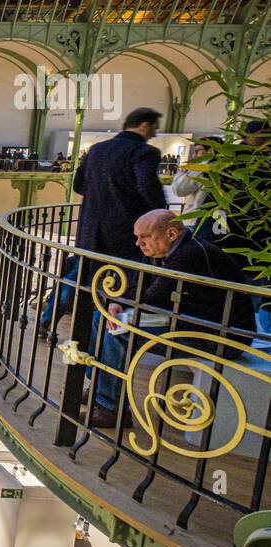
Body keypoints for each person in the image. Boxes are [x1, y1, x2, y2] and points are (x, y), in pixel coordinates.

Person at [87, 209, 255, 428]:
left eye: (144, 237)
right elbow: (139, 284)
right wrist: (116, 302)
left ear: (172, 234)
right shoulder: (164, 250)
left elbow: (153, 299)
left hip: (221, 336)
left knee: (120, 333)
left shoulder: (189, 254)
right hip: (190, 323)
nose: (138, 243)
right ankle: (100, 387)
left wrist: (120, 300)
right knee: (101, 317)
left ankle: (110, 408)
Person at [72, 107, 166, 264]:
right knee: (122, 278)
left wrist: (101, 198)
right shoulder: (145, 151)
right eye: (154, 128)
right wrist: (160, 214)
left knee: (82, 273)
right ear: (145, 126)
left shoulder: (97, 149)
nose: (154, 134)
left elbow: (78, 184)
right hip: (125, 229)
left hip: (90, 227)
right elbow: (148, 187)